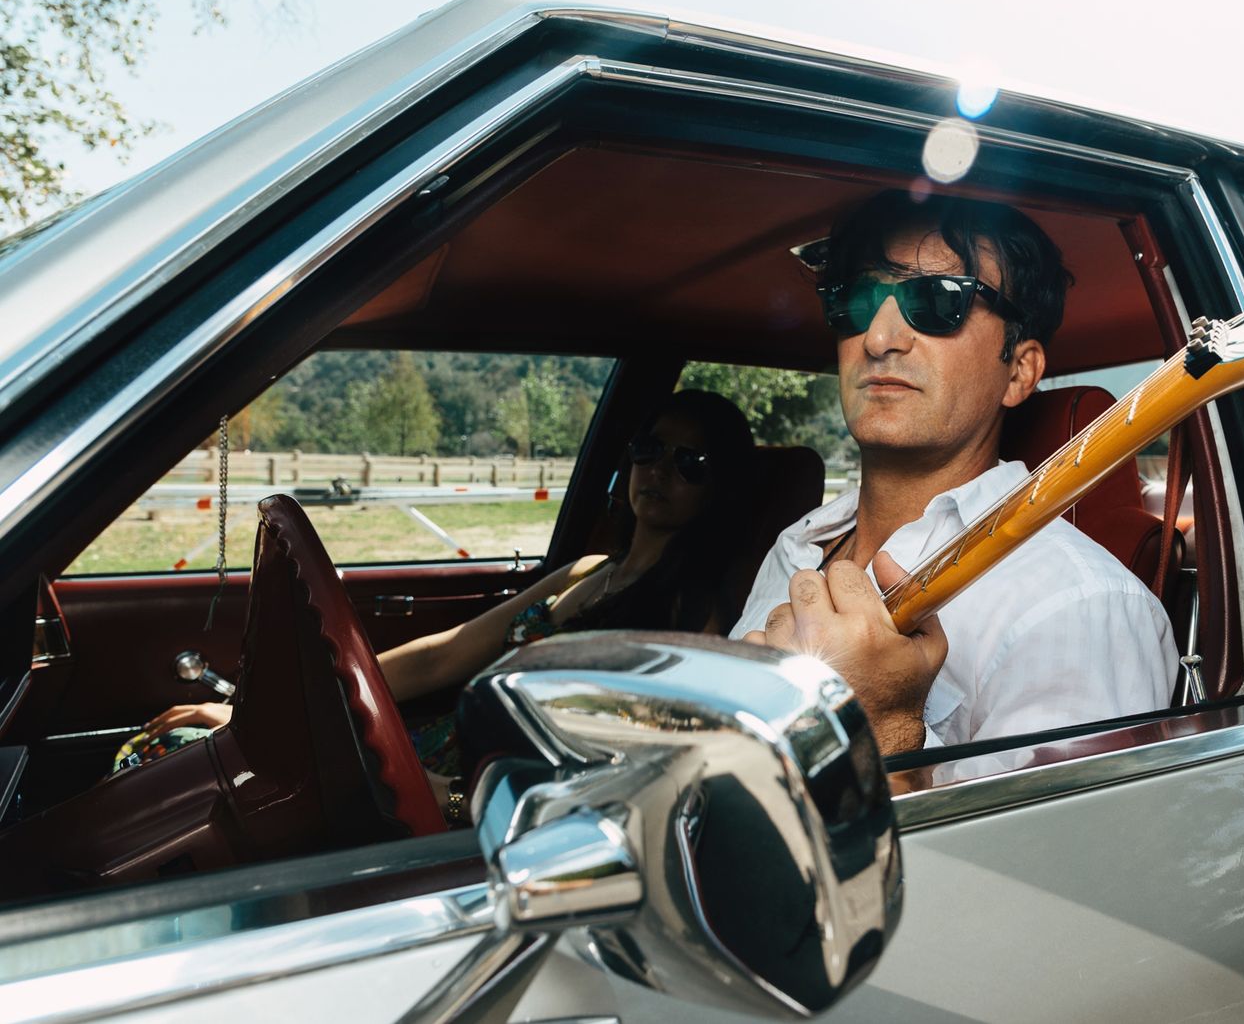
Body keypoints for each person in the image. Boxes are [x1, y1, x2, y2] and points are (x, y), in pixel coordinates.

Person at [734, 191, 1177, 768]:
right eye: (857, 300)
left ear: (1019, 372)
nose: (878, 339)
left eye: (938, 299)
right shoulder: (796, 546)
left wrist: (884, 729)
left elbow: (1059, 832)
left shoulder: (1080, 605)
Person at [138, 389, 757, 798]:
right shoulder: (588, 570)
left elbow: (624, 762)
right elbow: (446, 655)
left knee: (190, 766)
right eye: (650, 449)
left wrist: (457, 798)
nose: (660, 470)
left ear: (721, 488)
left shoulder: (693, 617)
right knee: (175, 749)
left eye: (691, 463)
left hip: (477, 792)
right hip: (431, 749)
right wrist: (277, 710)